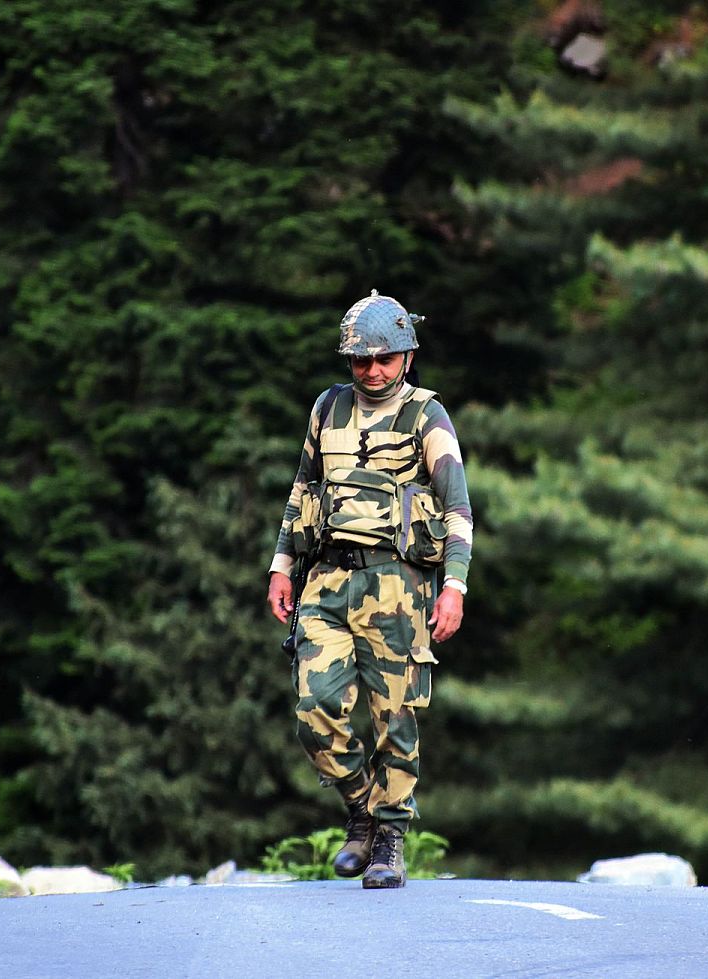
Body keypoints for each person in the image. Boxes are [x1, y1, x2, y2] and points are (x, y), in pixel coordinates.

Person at [267, 290, 473, 889]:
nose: (373, 370)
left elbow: (457, 508)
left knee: (394, 717)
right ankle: (360, 807)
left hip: (397, 584)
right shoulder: (327, 409)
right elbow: (303, 488)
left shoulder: (426, 415)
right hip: (326, 577)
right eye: (361, 360)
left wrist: (453, 586)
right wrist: (282, 563)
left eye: (385, 359)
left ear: (408, 357)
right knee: (315, 710)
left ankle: (388, 841)